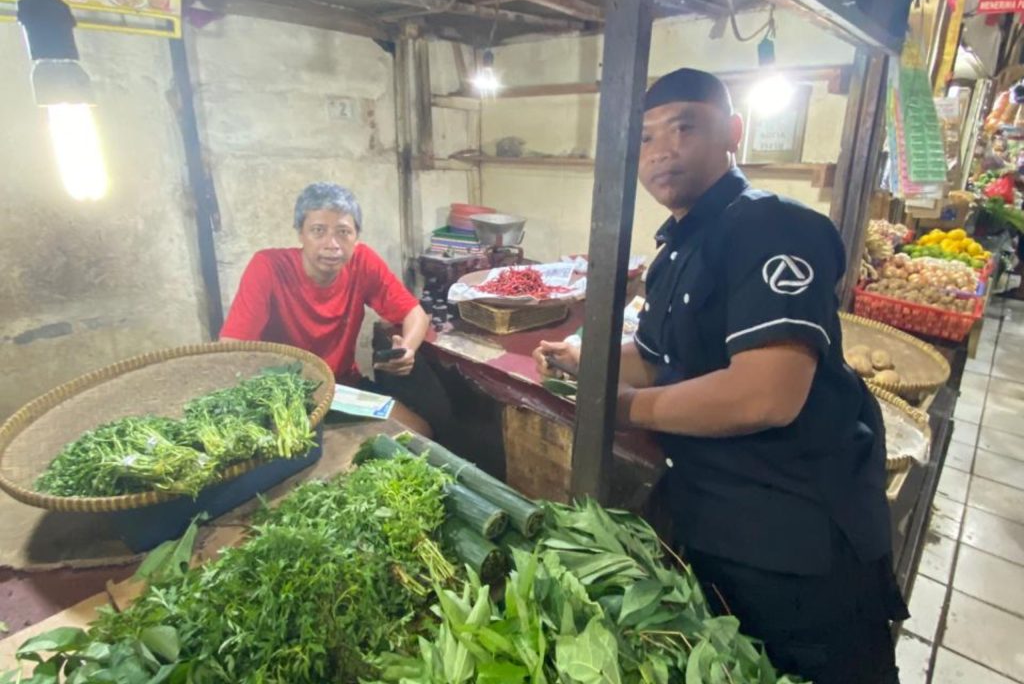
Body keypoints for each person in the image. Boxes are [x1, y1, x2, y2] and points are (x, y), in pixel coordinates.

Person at [535, 68, 907, 684]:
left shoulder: (772, 227)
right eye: (647, 137)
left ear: (733, 132)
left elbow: (767, 394)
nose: (661, 150)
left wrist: (620, 406)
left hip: (799, 544)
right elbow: (657, 357)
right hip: (719, 528)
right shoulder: (677, 249)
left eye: (684, 128)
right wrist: (585, 361)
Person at [221, 182, 451, 436]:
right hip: (283, 393)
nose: (332, 244)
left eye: (343, 232)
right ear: (300, 233)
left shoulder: (363, 262)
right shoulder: (268, 267)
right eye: (318, 231)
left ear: (356, 236)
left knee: (419, 432)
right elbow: (232, 349)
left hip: (342, 389)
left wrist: (407, 350)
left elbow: (414, 314)